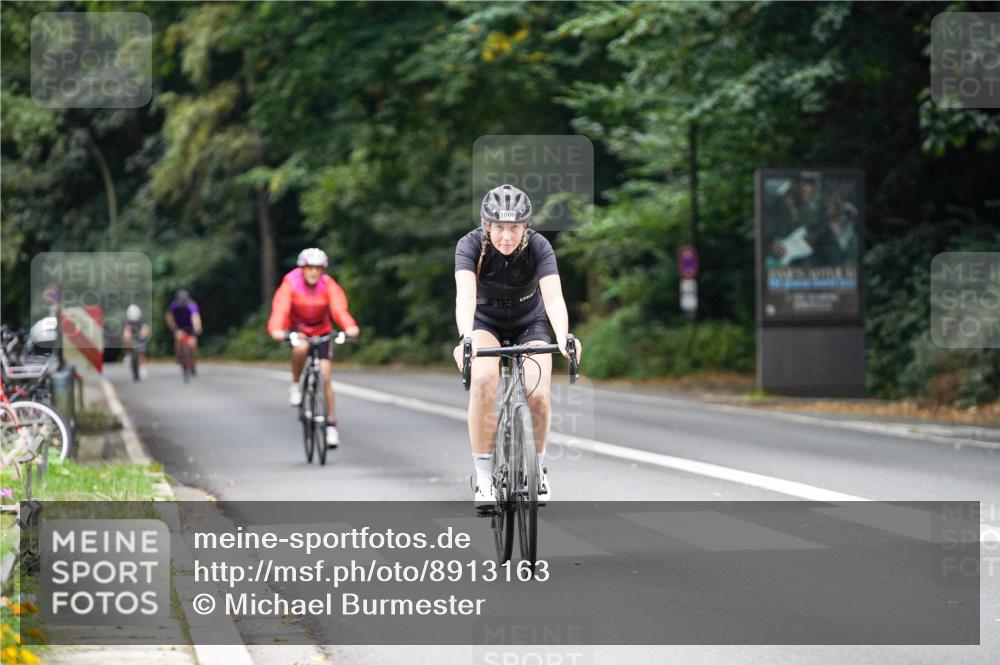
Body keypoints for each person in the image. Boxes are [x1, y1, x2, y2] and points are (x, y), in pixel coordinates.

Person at [453, 184, 582, 509]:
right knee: (483, 382)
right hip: (485, 323)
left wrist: (565, 336)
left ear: (525, 227)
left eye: (514, 228)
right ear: (487, 225)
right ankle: (484, 478)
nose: (506, 237)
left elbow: (553, 297)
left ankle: (536, 467)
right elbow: (465, 296)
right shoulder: (469, 245)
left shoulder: (539, 246)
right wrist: (465, 337)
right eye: (499, 228)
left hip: (529, 322)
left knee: (537, 393)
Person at [267, 248, 360, 447]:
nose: (313, 272)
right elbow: (280, 309)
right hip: (299, 330)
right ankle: (295, 384)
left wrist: (350, 327)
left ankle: (331, 426)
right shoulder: (290, 283)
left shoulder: (328, 285)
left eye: (318, 268)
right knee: (300, 348)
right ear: (302, 268)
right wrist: (277, 330)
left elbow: (339, 309)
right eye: (309, 268)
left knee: (325, 377)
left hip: (322, 331)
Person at [165, 290, 202, 375]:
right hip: (180, 327)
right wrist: (172, 326)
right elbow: (169, 316)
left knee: (193, 344)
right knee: (178, 337)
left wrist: (197, 328)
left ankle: (193, 361)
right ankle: (179, 357)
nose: (182, 302)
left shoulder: (192, 305)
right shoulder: (174, 305)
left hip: (190, 327)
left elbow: (195, 317)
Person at [122, 304, 151, 380]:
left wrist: (144, 333)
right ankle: (128, 354)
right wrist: (127, 335)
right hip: (131, 339)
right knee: (126, 338)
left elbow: (146, 329)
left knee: (141, 350)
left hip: (140, 340)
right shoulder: (128, 322)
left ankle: (141, 366)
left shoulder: (142, 321)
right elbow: (126, 331)